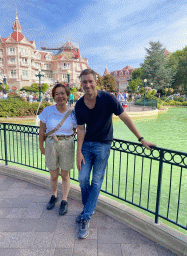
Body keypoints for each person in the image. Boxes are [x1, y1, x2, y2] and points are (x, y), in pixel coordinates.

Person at [75, 69, 156, 239]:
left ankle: (86, 216)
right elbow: (81, 129)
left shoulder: (108, 98)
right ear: (81, 84)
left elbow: (125, 117)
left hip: (103, 145)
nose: (87, 85)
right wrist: (78, 152)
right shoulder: (80, 104)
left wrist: (141, 139)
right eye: (84, 82)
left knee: (96, 181)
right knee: (82, 178)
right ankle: (87, 210)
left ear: (96, 82)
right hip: (86, 145)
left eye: (90, 81)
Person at [39, 83, 77, 216]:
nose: (60, 96)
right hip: (50, 143)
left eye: (62, 93)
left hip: (67, 143)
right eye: (57, 94)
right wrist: (41, 146)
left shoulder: (73, 113)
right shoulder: (47, 111)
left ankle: (64, 199)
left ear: (67, 95)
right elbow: (42, 130)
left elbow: (75, 130)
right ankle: (54, 195)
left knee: (65, 175)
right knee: (54, 174)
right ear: (53, 96)